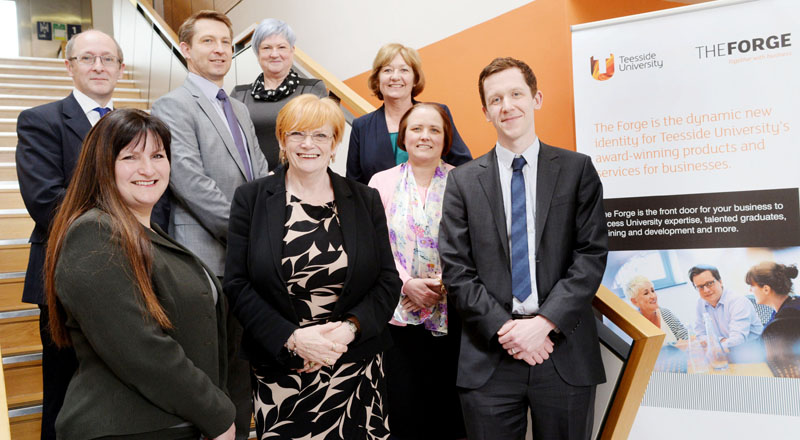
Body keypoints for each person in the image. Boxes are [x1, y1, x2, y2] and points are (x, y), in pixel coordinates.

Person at [438, 57, 608, 440]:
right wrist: (509, 331)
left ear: (536, 98)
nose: (507, 105)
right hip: (489, 356)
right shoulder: (463, 182)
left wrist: (543, 325)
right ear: (485, 112)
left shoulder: (577, 169)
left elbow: (591, 255)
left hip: (562, 350)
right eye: (495, 99)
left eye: (516, 94)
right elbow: (456, 269)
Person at [42, 108, 235, 440]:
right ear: (102, 165)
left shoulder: (149, 233)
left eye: (158, 155)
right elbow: (143, 351)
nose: (148, 169)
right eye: (130, 157)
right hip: (128, 428)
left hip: (177, 421)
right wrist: (217, 415)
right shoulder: (94, 233)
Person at [224, 94, 400, 439]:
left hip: (353, 365)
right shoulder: (252, 199)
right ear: (281, 140)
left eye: (320, 135)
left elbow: (387, 281)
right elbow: (237, 284)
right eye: (297, 134)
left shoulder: (364, 199)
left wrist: (349, 330)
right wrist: (293, 338)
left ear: (335, 144)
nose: (308, 144)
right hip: (282, 369)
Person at [151, 10, 269, 439]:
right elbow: (188, 181)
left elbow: (258, 173)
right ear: (185, 50)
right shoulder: (171, 105)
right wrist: (250, 232)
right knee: (205, 369)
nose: (219, 50)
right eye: (208, 42)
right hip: (203, 258)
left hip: (245, 262)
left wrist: (268, 227)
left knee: (240, 365)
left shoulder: (237, 106)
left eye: (225, 42)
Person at [14, 29, 125, 440]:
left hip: (131, 276)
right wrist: (123, 228)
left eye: (108, 59)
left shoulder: (133, 123)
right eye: (87, 58)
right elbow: (47, 202)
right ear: (69, 66)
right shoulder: (40, 121)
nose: (99, 66)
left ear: (120, 67)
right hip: (65, 278)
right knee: (65, 393)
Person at [367, 103, 465, 439]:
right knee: (404, 406)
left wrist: (442, 284)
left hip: (453, 313)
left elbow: (476, 243)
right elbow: (373, 244)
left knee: (449, 408)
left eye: (434, 130)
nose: (425, 136)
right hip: (397, 313)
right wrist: (407, 284)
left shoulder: (463, 181)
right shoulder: (381, 182)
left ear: (445, 138)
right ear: (403, 137)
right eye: (417, 129)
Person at [346, 43, 472, 184]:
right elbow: (353, 185)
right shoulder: (361, 126)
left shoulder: (438, 115)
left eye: (404, 70)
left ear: (415, 79)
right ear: (377, 79)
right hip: (378, 205)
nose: (395, 77)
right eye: (387, 70)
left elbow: (464, 167)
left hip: (436, 203)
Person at [231, 18, 327, 170]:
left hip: (299, 179)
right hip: (253, 184)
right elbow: (233, 145)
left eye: (281, 47)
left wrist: (277, 177)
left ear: (292, 51)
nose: (274, 54)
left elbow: (318, 141)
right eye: (267, 48)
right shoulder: (239, 94)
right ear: (257, 53)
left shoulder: (312, 90)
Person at [689, 265, 763, 351]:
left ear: (720, 282)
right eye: (700, 287)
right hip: (724, 352)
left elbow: (737, 341)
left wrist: (713, 342)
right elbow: (700, 335)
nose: (706, 290)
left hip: (753, 352)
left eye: (709, 284)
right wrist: (721, 340)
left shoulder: (738, 302)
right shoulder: (701, 303)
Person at [745, 262, 800, 377]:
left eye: (752, 286)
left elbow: (759, 350)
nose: (750, 291)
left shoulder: (786, 318)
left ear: (766, 289)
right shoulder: (791, 304)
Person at [625, 276, 687, 345]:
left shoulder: (665, 313)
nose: (653, 296)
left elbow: (685, 336)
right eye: (646, 293)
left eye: (652, 291)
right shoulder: (635, 325)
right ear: (635, 301)